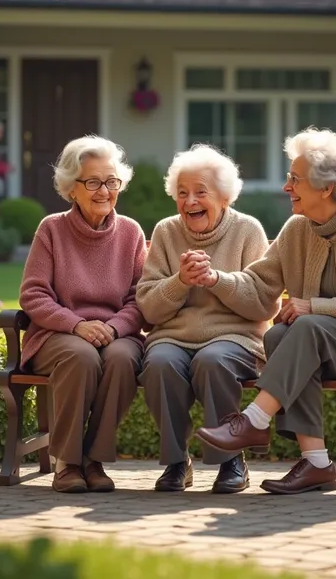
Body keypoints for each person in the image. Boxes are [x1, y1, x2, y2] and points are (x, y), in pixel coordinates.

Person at [195, 128, 336, 495]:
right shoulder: (297, 229)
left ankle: (254, 419)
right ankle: (317, 463)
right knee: (279, 335)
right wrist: (215, 278)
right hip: (323, 343)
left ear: (325, 188)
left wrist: (314, 306)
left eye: (295, 179)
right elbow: (259, 284)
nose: (286, 187)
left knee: (305, 327)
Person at [136, 144, 270, 494]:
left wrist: (216, 280)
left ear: (224, 197)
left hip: (235, 338)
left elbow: (263, 303)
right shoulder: (166, 232)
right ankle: (177, 461)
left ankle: (231, 460)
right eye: (182, 193)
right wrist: (180, 281)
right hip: (174, 337)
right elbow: (149, 309)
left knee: (212, 361)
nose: (190, 201)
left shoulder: (248, 231)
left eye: (200, 192)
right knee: (160, 363)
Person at [19, 135, 146, 494]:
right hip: (59, 335)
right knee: (81, 356)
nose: (104, 191)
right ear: (71, 188)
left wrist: (114, 326)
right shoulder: (52, 229)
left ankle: (94, 459)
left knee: (122, 360)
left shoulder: (131, 232)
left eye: (111, 181)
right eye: (92, 182)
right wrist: (76, 325)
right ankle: (68, 463)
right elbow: (33, 294)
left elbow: (140, 298)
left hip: (116, 334)